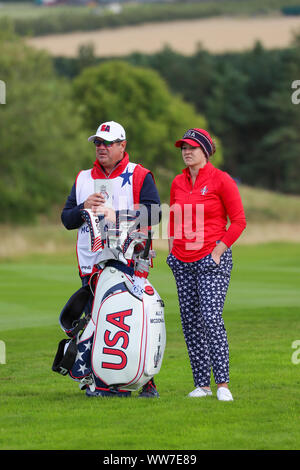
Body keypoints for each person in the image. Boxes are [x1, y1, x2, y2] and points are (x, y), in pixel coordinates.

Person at [61, 120, 161, 398]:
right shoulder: (83, 178)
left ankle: (144, 382)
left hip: (127, 260)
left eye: (107, 143)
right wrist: (83, 208)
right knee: (94, 322)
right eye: (97, 143)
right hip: (91, 263)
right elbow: (66, 219)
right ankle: (101, 381)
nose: (101, 148)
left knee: (130, 321)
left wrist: (118, 216)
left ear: (122, 146)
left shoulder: (139, 174)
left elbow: (154, 213)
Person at [167, 128, 246, 401]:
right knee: (190, 322)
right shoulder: (177, 182)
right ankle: (201, 384)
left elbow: (238, 222)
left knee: (210, 318)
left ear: (205, 152)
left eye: (192, 148)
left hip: (212, 258)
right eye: (183, 148)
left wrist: (218, 251)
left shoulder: (221, 180)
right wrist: (171, 253)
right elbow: (174, 219)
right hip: (183, 260)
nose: (186, 152)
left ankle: (222, 384)